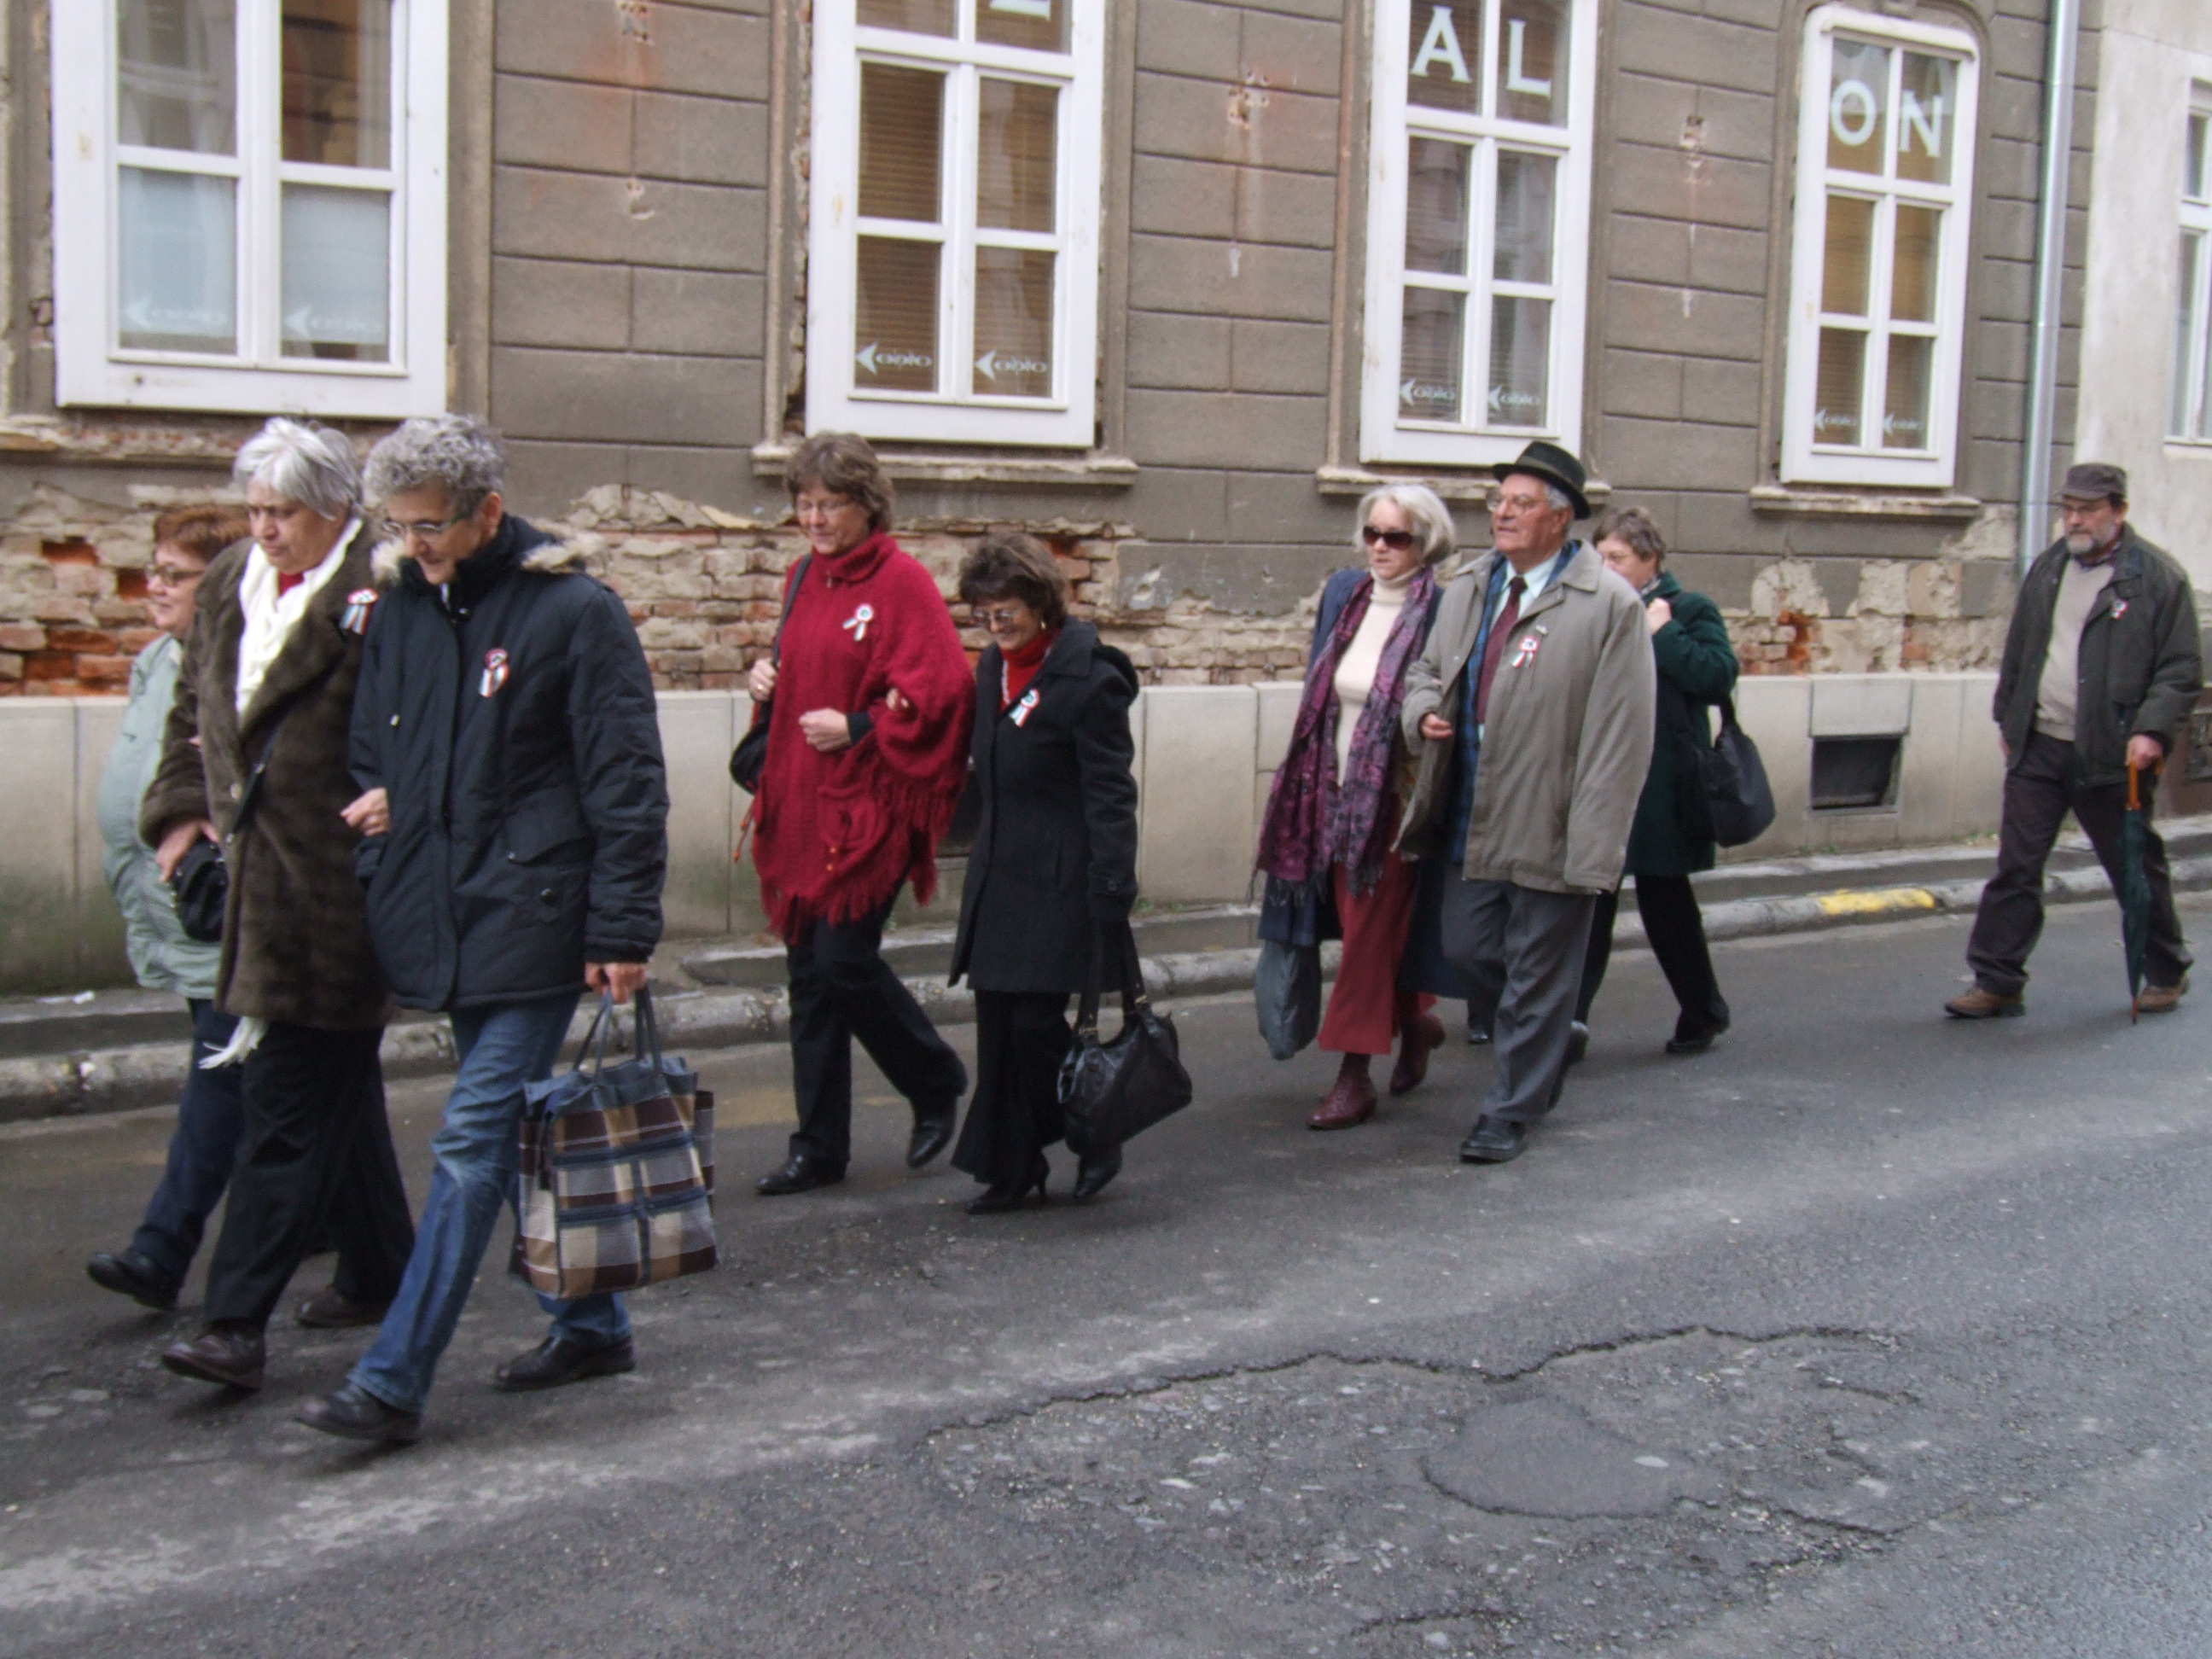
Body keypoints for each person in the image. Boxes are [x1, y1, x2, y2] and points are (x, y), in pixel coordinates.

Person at [295, 415, 670, 1446]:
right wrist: (385, 833)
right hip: (441, 906)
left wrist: (622, 928)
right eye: (398, 525)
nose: (412, 543)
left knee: (469, 1141)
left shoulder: (574, 610)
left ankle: (391, 1382)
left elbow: (626, 778)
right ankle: (591, 1325)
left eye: (429, 526)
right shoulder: (403, 608)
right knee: (509, 1135)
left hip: (541, 915)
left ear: (487, 511)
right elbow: (376, 748)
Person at [142, 418, 415, 1393]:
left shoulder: (385, 589)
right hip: (249, 878)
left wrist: (403, 802)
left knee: (285, 1100)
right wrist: (180, 816)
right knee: (334, 1080)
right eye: (255, 509)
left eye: (283, 512)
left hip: (340, 884)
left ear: (336, 508)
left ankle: (232, 1324)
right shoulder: (231, 582)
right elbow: (192, 710)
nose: (263, 529)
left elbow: (424, 719)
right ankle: (381, 1268)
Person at [1397, 442, 1655, 1166]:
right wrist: (1422, 711)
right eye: (1499, 501)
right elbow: (1424, 670)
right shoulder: (1470, 586)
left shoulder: (1609, 603)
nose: (1502, 514)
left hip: (1554, 813)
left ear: (1560, 518)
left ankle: (1511, 1109)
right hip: (1472, 805)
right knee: (1467, 948)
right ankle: (1550, 1029)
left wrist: (1595, 845)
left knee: (1540, 969)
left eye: (1521, 503)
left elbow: (1621, 735)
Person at [748, 434, 975, 1196]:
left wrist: (862, 726)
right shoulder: (802, 576)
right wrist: (766, 676)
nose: (813, 519)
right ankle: (818, 1147)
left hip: (870, 805)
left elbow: (946, 689)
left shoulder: (901, 581)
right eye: (803, 504)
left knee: (843, 961)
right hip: (803, 802)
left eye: (830, 504)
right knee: (808, 977)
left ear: (868, 505)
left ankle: (933, 1076)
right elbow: (803, 666)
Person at [1946, 462, 2202, 1020]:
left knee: (2132, 866)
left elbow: (2181, 669)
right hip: (2041, 743)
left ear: (2119, 511)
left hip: (2112, 751)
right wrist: (2009, 720)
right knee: (2017, 865)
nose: (2074, 520)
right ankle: (1998, 980)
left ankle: (2165, 969)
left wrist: (2152, 731)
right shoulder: (2050, 567)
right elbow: (2022, 647)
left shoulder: (2157, 579)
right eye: (2068, 509)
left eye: (2087, 510)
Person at [84, 506, 251, 1310]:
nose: (154, 585)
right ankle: (341, 1224)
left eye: (174, 575)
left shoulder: (240, 659)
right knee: (291, 1083)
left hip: (218, 902)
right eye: (153, 569)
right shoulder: (158, 659)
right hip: (167, 903)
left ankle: (162, 1248)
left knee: (220, 1072)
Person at [946, 533, 1139, 1210]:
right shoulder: (991, 669)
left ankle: (1098, 1127)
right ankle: (1013, 1165)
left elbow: (1111, 791)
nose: (995, 627)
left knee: (1034, 1024)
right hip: (1000, 874)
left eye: (1007, 613)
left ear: (1041, 605)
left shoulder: (1089, 678)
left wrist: (1113, 881)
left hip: (1062, 877)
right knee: (998, 1027)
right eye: (983, 615)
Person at [1256, 485, 1454, 1129]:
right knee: (1354, 921)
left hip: (1393, 804)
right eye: (1373, 533)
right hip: (1330, 792)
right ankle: (1415, 1021)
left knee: (1366, 934)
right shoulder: (1347, 595)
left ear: (1426, 543)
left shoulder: (1443, 611)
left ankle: (1353, 1075)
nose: (1380, 547)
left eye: (1396, 537)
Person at [1572, 506, 1738, 1057]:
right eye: (1599, 558)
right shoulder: (1592, 610)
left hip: (1663, 785)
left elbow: (1717, 677)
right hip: (1602, 774)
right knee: (1589, 903)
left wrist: (1663, 633)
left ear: (1651, 560)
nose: (1606, 568)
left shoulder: (1688, 609)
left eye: (1617, 558)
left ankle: (1703, 1009)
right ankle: (1567, 1024)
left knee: (1667, 905)